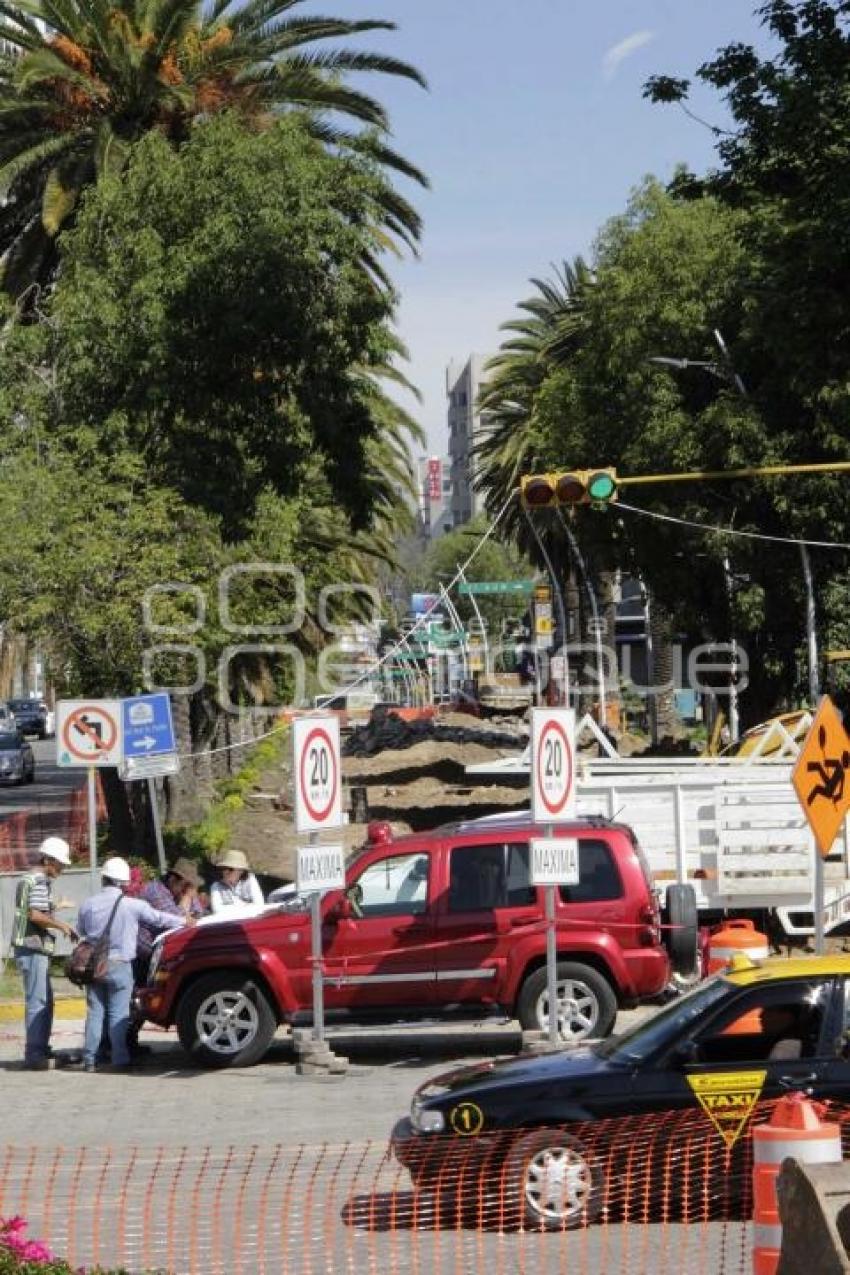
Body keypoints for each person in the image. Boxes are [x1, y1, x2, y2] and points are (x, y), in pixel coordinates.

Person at [76, 857, 188, 1072]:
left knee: (95, 1013)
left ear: (104, 879)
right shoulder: (133, 905)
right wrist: (184, 921)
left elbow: (82, 931)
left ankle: (90, 1059)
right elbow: (159, 919)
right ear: (125, 883)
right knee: (119, 1014)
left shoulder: (88, 904)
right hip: (120, 964)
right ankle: (119, 1059)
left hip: (94, 965)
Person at [11, 836, 77, 1070]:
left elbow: (35, 909)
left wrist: (57, 907)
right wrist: (62, 926)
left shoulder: (29, 878)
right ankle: (35, 1054)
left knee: (44, 1001)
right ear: (48, 860)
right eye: (60, 863)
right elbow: (35, 915)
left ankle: (40, 1048)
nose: (62, 868)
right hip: (33, 948)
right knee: (39, 1002)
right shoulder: (39, 880)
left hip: (29, 949)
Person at [210, 849, 264, 914]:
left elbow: (260, 905)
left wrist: (230, 907)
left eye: (230, 869)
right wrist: (245, 905)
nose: (225, 871)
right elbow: (217, 910)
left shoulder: (250, 880)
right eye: (224, 868)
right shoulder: (216, 886)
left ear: (241, 871)